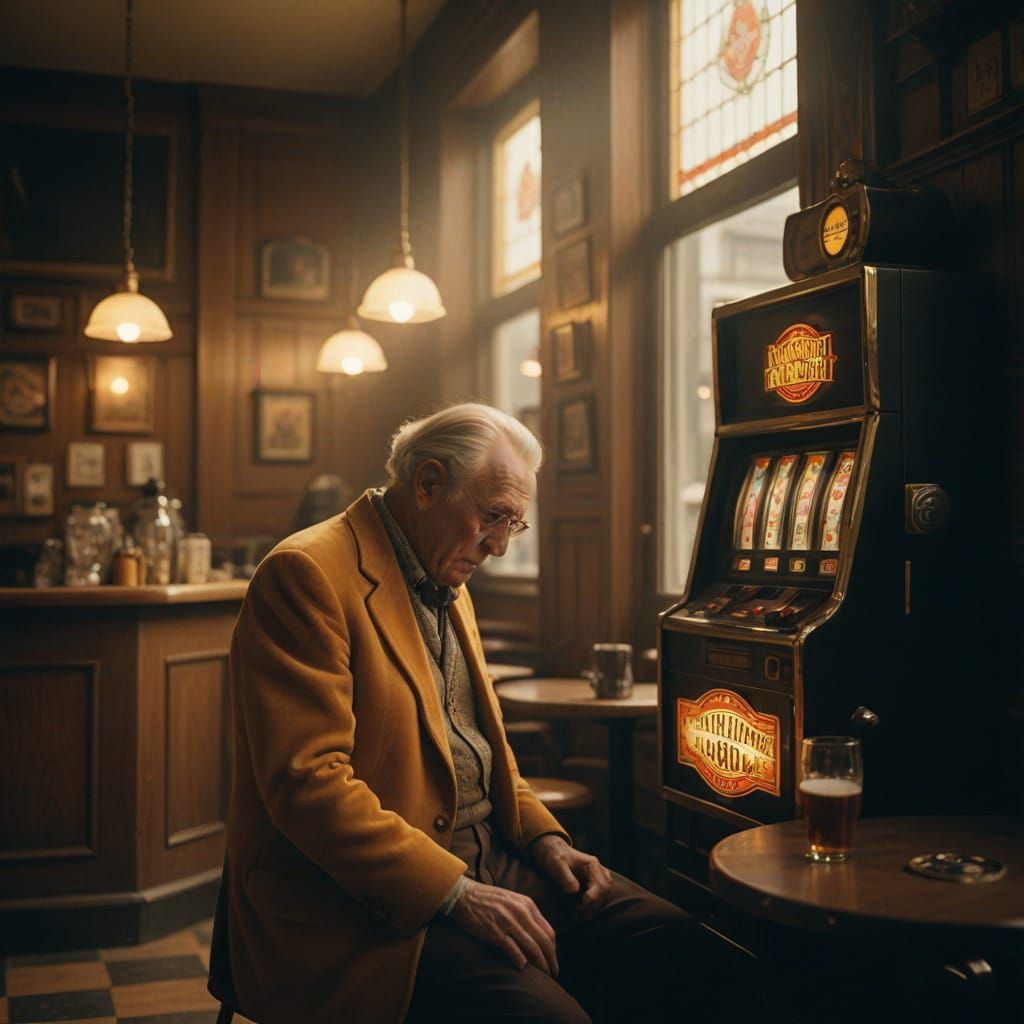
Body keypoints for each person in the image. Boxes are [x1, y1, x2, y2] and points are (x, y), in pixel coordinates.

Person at [210, 402, 697, 1023]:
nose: (498, 545)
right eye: (492, 517)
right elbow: (308, 787)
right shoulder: (304, 574)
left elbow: (483, 749)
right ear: (428, 483)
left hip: (490, 854)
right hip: (354, 899)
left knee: (671, 939)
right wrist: (456, 892)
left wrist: (546, 840)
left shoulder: (447, 573)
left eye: (514, 526)